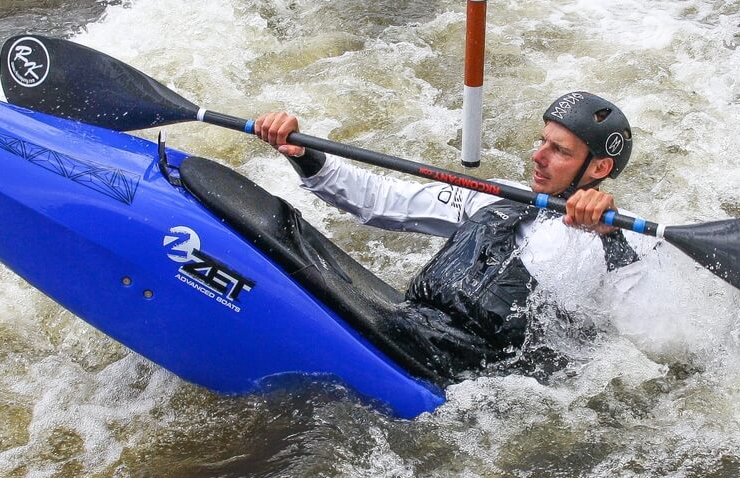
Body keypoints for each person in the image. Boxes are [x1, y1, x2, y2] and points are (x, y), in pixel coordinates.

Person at [253, 91, 650, 385]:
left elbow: (650, 339)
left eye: (558, 150)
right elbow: (381, 200)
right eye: (541, 140)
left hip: (468, 381)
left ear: (598, 166)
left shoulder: (623, 244)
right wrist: (302, 153)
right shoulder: (495, 195)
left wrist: (610, 238)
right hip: (409, 327)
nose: (537, 156)